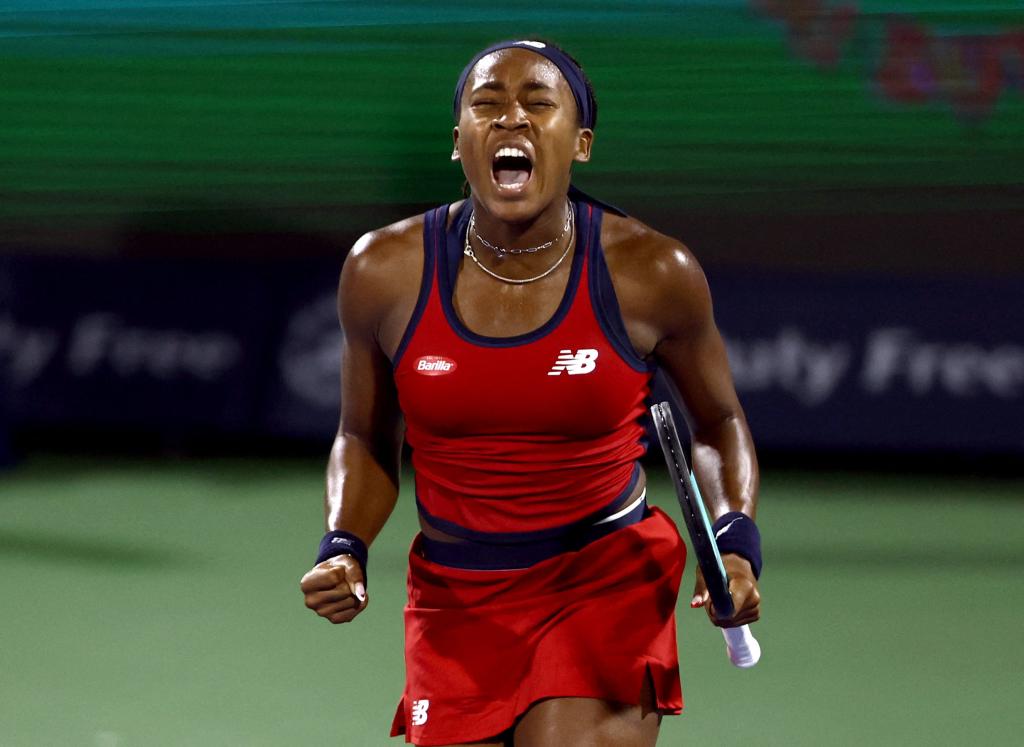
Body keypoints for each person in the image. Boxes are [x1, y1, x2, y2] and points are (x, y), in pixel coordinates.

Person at [300, 39, 762, 747]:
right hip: (456, 595)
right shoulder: (383, 271)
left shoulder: (651, 270)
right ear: (459, 142)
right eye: (486, 106)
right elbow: (364, 437)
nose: (510, 119)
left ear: (580, 144)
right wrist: (345, 545)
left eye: (537, 104)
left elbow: (716, 420)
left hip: (602, 575)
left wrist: (734, 538)